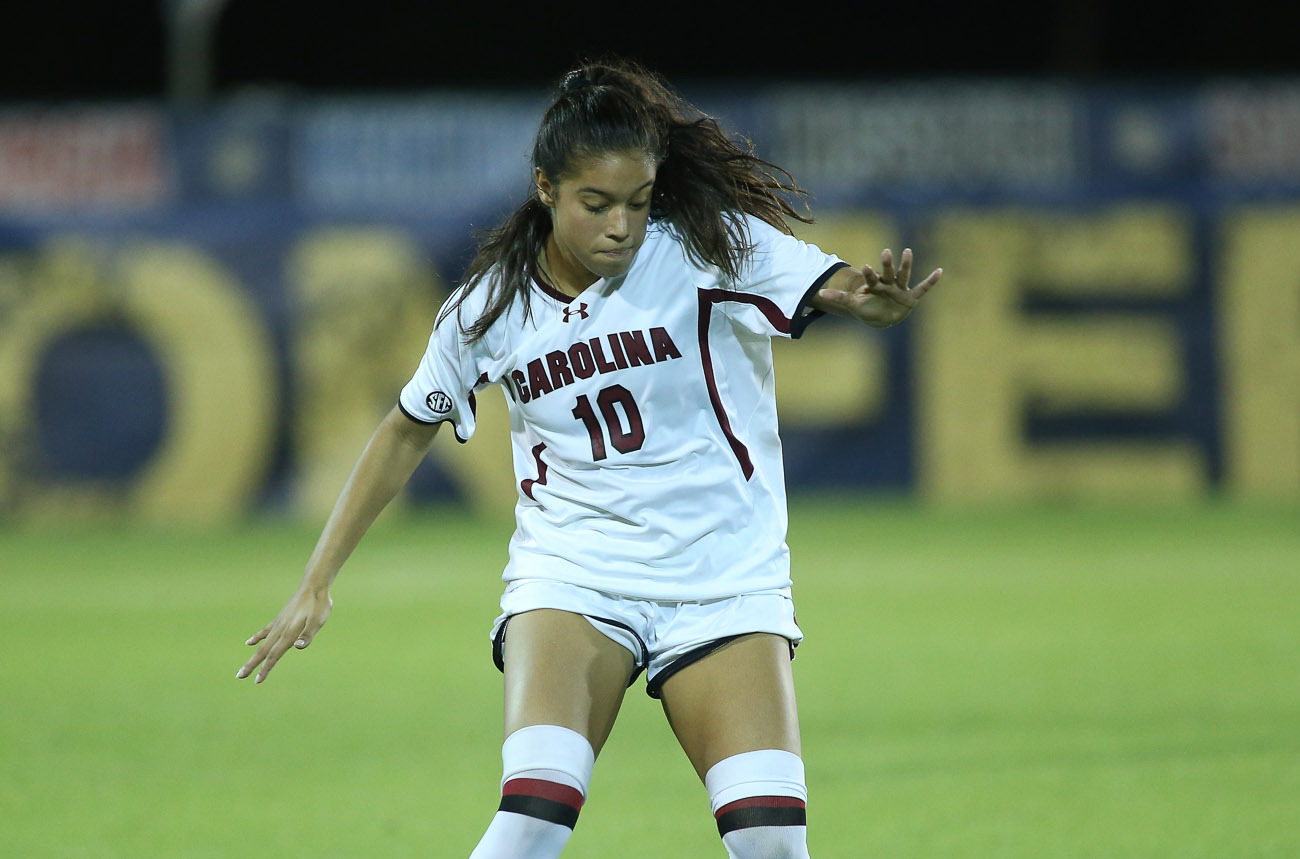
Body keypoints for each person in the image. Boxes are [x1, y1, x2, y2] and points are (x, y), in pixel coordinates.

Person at [238, 58, 941, 859]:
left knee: (773, 842)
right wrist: (316, 579)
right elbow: (404, 429)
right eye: (596, 203)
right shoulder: (488, 309)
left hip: (723, 577)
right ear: (546, 188)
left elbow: (830, 282)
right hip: (575, 575)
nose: (621, 226)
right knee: (535, 815)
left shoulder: (708, 249)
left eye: (638, 203)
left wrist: (864, 298)